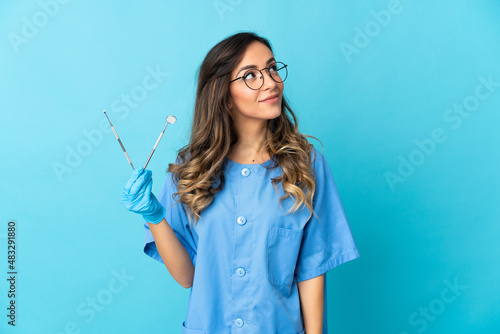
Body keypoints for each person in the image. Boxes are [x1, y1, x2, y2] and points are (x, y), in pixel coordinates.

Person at [121, 31, 360, 334]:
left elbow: (312, 268)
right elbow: (186, 277)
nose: (271, 82)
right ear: (224, 95)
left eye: (272, 68)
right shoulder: (189, 170)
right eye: (251, 75)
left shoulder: (306, 165)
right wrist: (154, 216)